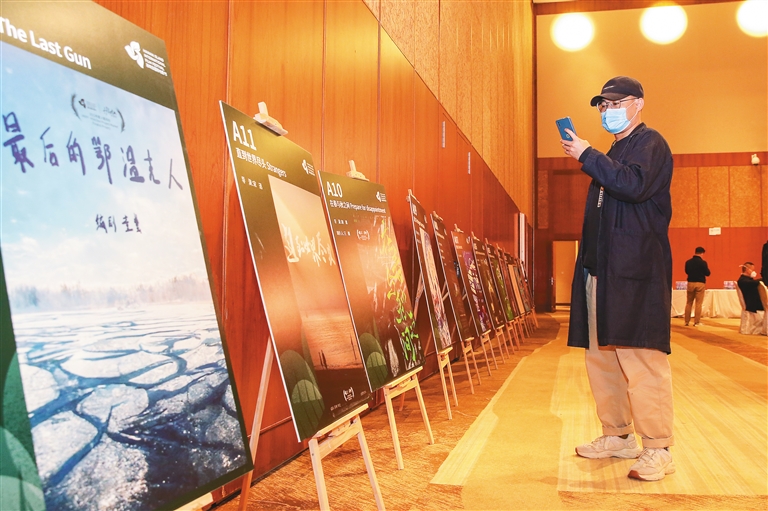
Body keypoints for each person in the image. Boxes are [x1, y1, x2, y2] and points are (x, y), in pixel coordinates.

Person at [561, 76, 675, 482]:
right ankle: (618, 434)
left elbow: (633, 185)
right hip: (600, 273)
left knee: (641, 359)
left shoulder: (650, 143)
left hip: (634, 274)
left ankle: (658, 447)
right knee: (602, 358)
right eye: (603, 105)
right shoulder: (613, 151)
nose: (608, 111)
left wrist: (587, 154)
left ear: (638, 103)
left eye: (616, 103)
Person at [684, 247, 710, 326]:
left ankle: (686, 321)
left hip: (690, 283)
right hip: (700, 283)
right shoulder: (703, 263)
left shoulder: (688, 262)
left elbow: (686, 271)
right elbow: (708, 273)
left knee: (689, 302)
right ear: (702, 253)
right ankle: (697, 322)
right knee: (698, 303)